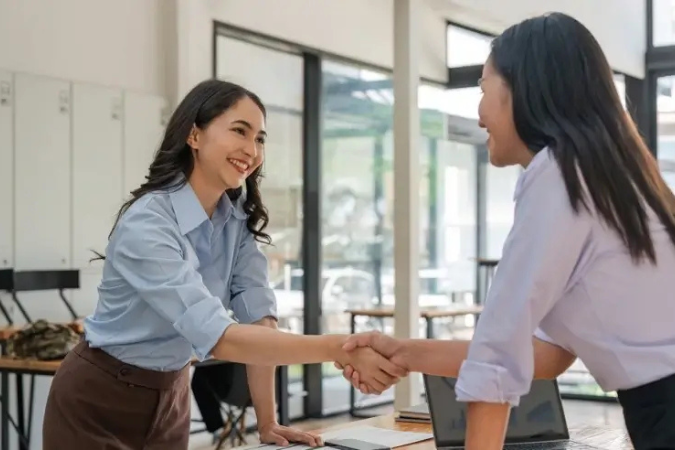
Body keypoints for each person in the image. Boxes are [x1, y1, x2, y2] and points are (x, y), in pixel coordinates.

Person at [337, 12, 675, 450]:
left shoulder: (559, 175)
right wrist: (403, 352)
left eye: (482, 88)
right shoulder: (612, 176)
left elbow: (499, 352)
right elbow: (547, 355)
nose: (479, 115)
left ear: (523, 88)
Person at [42, 79, 406, 450]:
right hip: (98, 400)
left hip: (171, 399)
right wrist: (335, 347)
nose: (252, 150)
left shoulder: (235, 222)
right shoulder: (148, 222)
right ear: (194, 135)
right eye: (239, 131)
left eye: (260, 138)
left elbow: (259, 320)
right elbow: (220, 337)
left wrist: (268, 421)